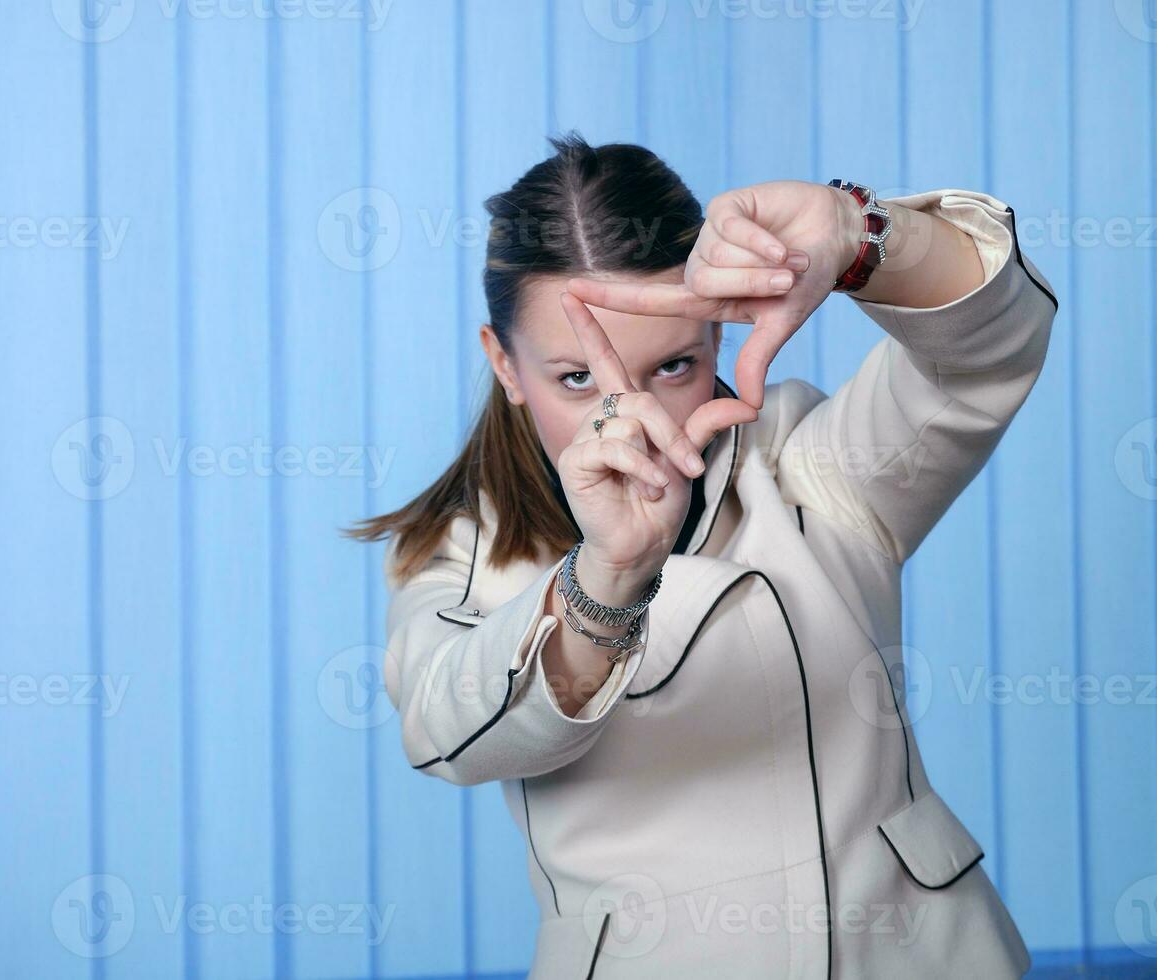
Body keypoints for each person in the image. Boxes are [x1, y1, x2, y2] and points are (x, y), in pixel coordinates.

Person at [345, 132, 1056, 978]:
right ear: (504, 363)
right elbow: (447, 735)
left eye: (674, 364)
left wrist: (862, 234)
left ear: (721, 335)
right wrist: (606, 579)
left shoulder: (808, 462)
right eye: (577, 378)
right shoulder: (464, 553)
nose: (630, 414)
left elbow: (986, 357)